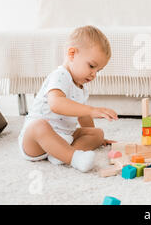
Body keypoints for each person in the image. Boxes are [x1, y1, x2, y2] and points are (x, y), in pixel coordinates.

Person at [18, 25, 118, 172]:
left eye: (98, 70)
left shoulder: (81, 88)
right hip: (36, 142)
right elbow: (56, 104)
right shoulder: (60, 76)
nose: (94, 74)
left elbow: (83, 118)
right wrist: (92, 110)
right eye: (91, 66)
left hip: (64, 136)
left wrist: (96, 139)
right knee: (39, 126)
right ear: (72, 54)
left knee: (97, 133)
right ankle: (73, 158)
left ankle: (61, 155)